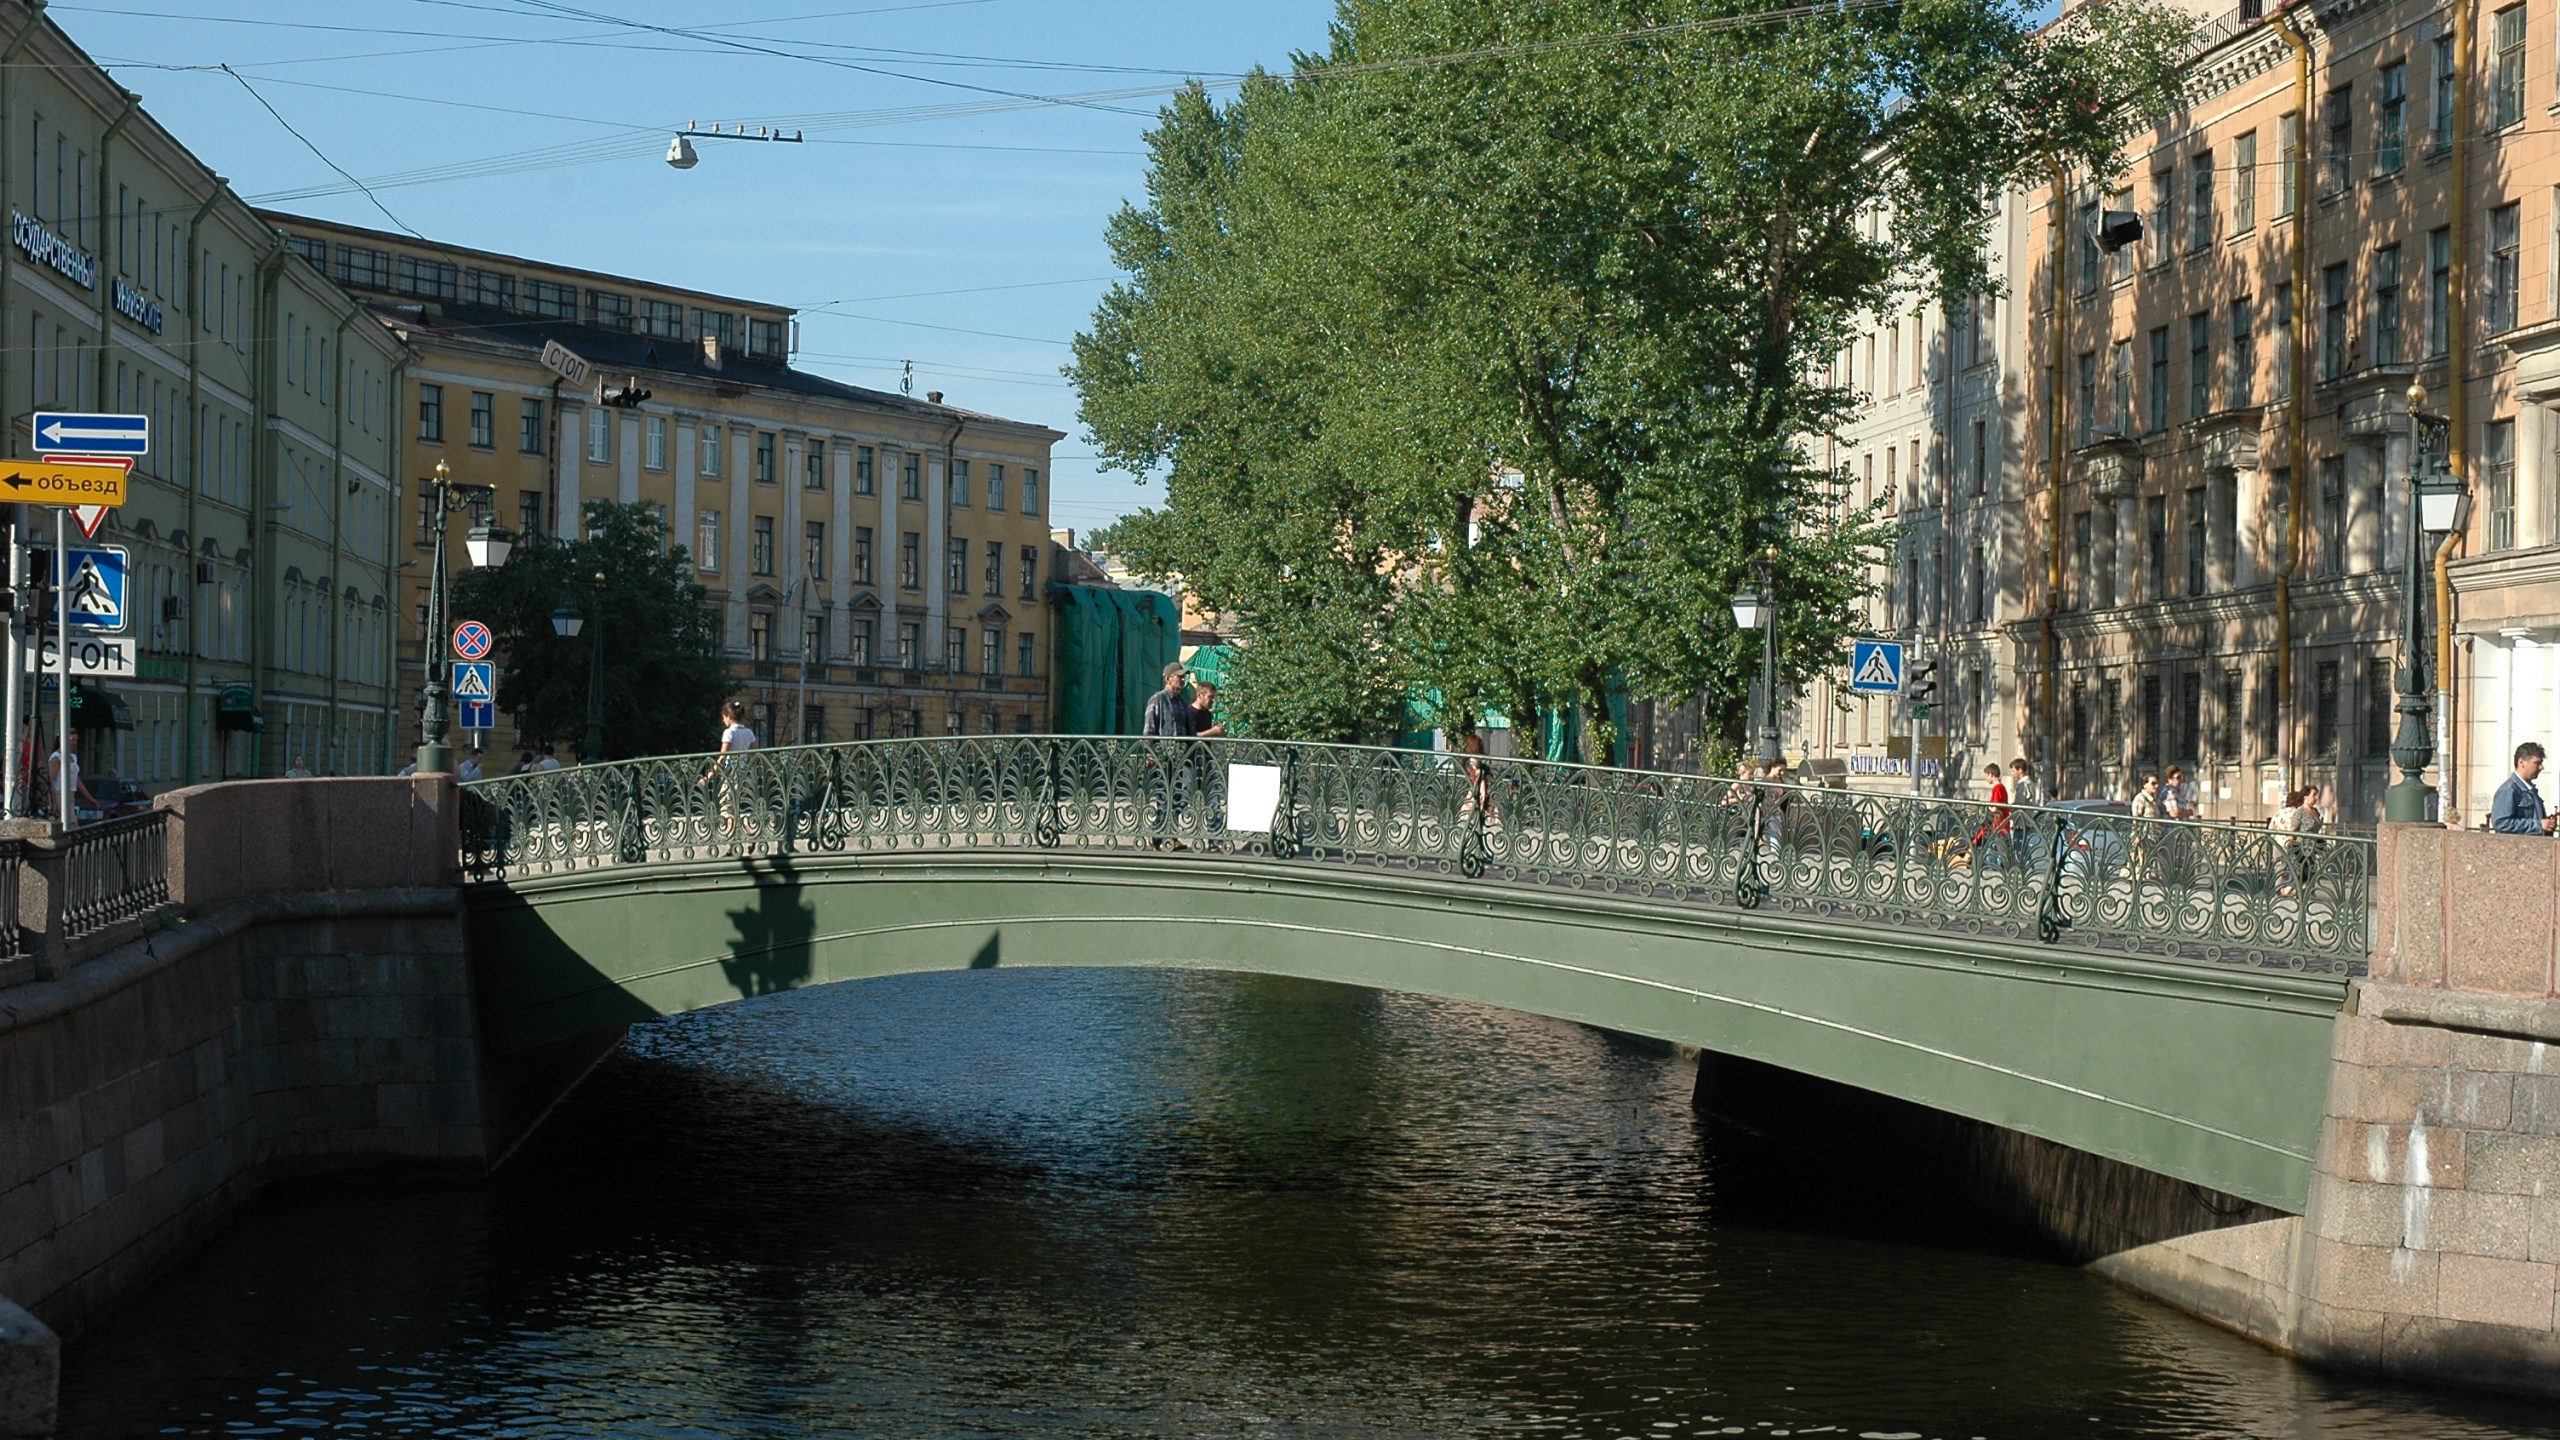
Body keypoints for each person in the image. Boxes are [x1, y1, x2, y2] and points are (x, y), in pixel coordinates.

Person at [2490, 741, 2555, 836]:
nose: (2541, 767)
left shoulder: (2531, 791)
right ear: (2522, 763)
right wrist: (2539, 825)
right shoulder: (2509, 790)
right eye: (2537, 763)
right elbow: (2501, 823)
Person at [47, 731, 99, 827]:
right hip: (59, 794)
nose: (75, 743)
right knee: (72, 825)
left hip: (70, 794)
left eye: (76, 740)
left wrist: (90, 798)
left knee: (67, 825)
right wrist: (53, 802)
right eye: (72, 740)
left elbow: (77, 780)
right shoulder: (57, 757)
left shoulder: (73, 757)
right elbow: (50, 780)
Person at [1142, 662, 1195, 738]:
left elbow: (1191, 732)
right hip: (1163, 745)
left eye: (1184, 677)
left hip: (1182, 745)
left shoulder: (1183, 703)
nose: (1183, 679)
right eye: (1179, 677)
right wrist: (1150, 745)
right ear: (1168, 679)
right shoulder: (1157, 700)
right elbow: (1149, 731)